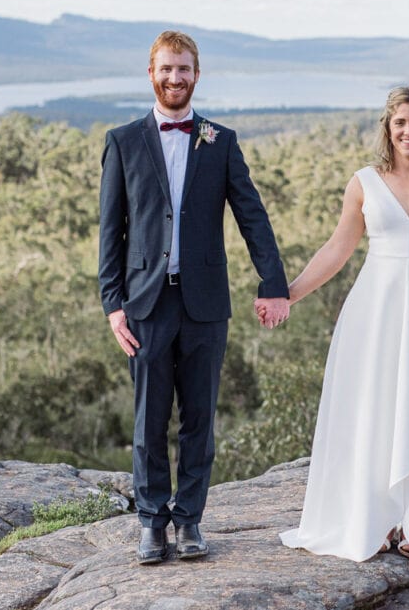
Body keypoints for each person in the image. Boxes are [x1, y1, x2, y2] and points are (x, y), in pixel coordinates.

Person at [273, 84, 409, 583]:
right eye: (400, 123)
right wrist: (288, 293)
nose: (408, 131)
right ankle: (372, 522)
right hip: (375, 316)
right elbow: (337, 249)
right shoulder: (365, 183)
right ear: (388, 129)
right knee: (375, 412)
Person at [99, 30, 291, 565]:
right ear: (151, 73)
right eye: (166, 69)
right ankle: (150, 522)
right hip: (145, 305)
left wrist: (273, 284)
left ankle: (190, 522)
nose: (175, 78)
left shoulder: (219, 140)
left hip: (206, 305)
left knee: (199, 420)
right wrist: (113, 303)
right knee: (148, 420)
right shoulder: (122, 141)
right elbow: (109, 230)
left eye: (184, 69)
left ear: (197, 75)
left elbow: (252, 216)